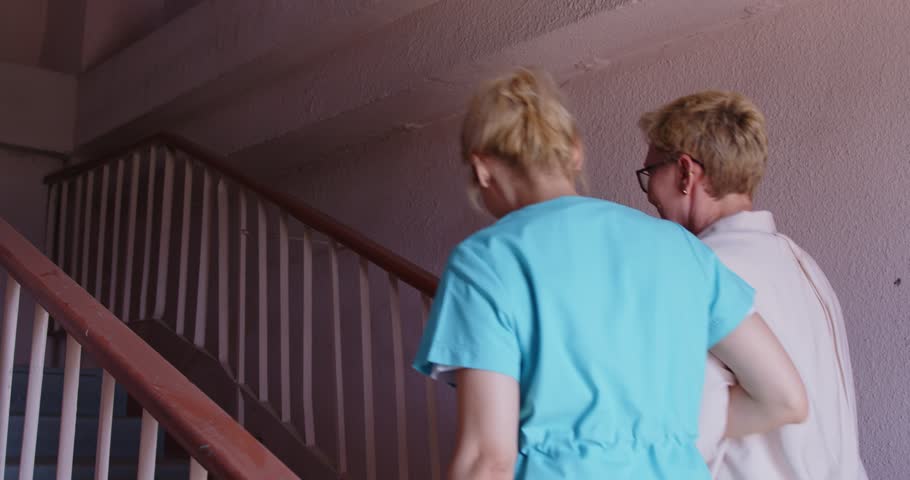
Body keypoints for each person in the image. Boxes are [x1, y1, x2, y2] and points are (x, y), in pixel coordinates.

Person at [412, 68, 807, 480]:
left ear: (482, 169)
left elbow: (487, 460)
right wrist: (670, 437)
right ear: (576, 153)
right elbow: (784, 399)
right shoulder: (681, 248)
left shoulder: (486, 260)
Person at [637, 90, 867, 479]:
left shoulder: (698, 270)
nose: (649, 195)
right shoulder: (804, 267)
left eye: (650, 174)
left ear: (685, 173)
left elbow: (682, 429)